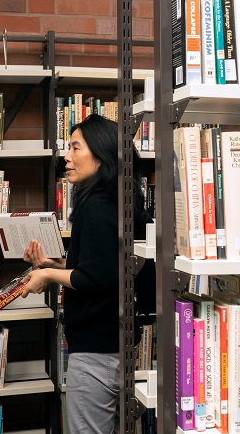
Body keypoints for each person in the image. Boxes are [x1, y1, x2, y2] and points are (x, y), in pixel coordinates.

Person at [21, 113, 153, 434]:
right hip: (118, 347)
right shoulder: (120, 201)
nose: (66, 156)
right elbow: (103, 267)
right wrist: (50, 265)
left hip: (95, 354)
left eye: (75, 148)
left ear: (100, 155)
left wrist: (49, 278)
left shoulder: (94, 205)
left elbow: (94, 279)